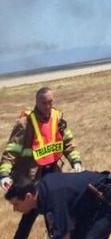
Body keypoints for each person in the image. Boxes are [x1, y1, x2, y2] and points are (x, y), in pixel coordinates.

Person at [1, 87, 83, 239]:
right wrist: (4, 174)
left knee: (56, 212)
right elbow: (11, 151)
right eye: (43, 102)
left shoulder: (58, 118)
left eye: (50, 102)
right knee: (29, 216)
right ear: (36, 102)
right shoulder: (25, 123)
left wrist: (76, 161)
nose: (47, 106)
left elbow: (68, 143)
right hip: (33, 178)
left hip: (53, 174)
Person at [5, 170, 111, 239]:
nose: (15, 209)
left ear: (28, 197)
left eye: (16, 204)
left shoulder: (53, 197)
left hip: (107, 199)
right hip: (88, 205)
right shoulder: (35, 196)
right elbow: (23, 230)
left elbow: (63, 235)